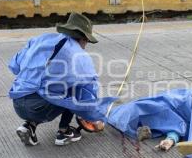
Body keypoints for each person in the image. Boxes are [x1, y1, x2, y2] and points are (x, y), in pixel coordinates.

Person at [9, 12, 116, 146]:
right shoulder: (80, 57)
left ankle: (29, 126)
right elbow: (88, 94)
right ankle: (63, 132)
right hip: (38, 107)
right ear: (83, 38)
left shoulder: (40, 39)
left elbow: (14, 66)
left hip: (17, 101)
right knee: (73, 90)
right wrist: (96, 118)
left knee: (47, 90)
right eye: (87, 40)